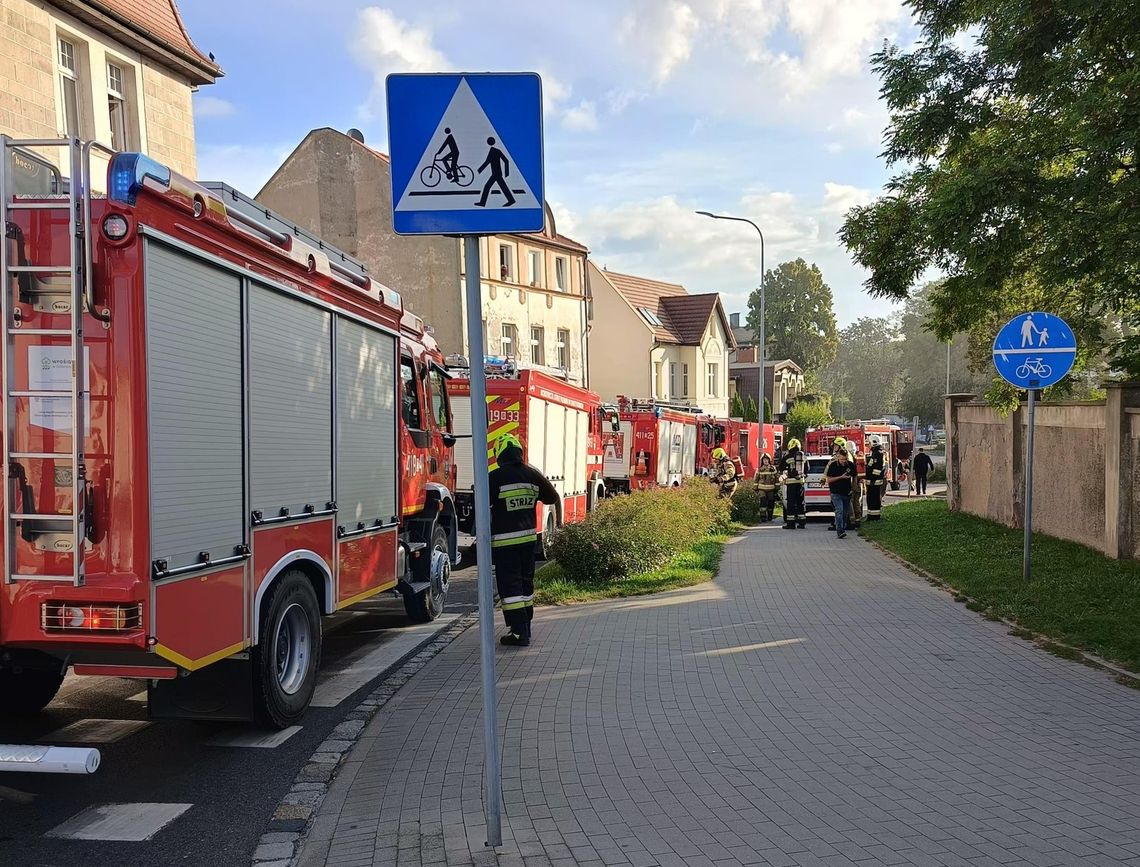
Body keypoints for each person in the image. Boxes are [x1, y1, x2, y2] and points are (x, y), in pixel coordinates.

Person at [488, 434, 559, 647]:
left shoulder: (495, 477)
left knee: (510, 589)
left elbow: (483, 503)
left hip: (504, 543)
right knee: (526, 584)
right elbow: (551, 497)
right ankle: (525, 626)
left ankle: (519, 633)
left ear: (499, 454)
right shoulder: (532, 475)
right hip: (528, 541)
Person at [824, 448, 856, 539]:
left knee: (845, 513)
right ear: (838, 457)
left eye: (845, 459)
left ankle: (843, 527)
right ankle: (840, 531)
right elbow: (829, 480)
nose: (843, 461)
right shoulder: (833, 466)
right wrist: (841, 477)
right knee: (839, 511)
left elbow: (855, 476)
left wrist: (854, 487)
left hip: (847, 493)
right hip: (835, 493)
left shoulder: (850, 465)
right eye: (842, 459)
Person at [476, 137, 517, 207]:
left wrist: (479, 170)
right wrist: (506, 173)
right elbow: (506, 161)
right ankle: (511, 200)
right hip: (497, 173)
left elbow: (487, 162)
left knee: (487, 186)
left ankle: (482, 203)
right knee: (502, 187)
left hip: (496, 174)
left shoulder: (492, 151)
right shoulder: (498, 151)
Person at [779, 438, 807, 529]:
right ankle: (802, 523)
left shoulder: (787, 457)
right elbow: (808, 469)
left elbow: (781, 468)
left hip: (791, 484)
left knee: (791, 503)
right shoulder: (803, 456)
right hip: (800, 483)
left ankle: (791, 524)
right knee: (800, 502)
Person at [864, 435, 887, 520]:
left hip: (875, 481)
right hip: (872, 481)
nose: (868, 445)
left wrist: (873, 479)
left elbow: (878, 468)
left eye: (869, 443)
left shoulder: (878, 453)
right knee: (870, 499)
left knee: (874, 499)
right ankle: (871, 516)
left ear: (874, 443)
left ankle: (875, 516)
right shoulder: (875, 452)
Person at [753, 454, 779, 522]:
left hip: (771, 489)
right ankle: (763, 517)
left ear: (769, 460)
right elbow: (756, 480)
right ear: (762, 461)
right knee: (763, 502)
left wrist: (777, 488)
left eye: (767, 460)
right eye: (764, 460)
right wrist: (755, 488)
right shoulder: (760, 469)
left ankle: (770, 516)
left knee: (771, 502)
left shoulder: (773, 469)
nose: (765, 461)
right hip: (762, 489)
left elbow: (777, 479)